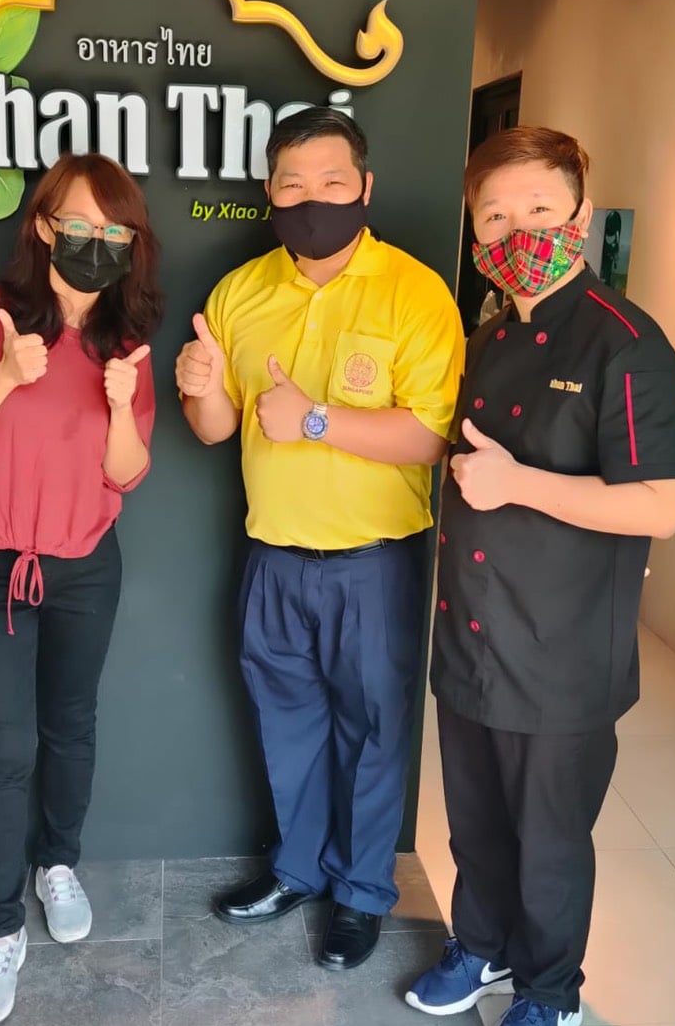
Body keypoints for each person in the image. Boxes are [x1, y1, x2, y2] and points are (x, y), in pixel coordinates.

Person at [406, 126, 675, 1026]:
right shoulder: (487, 337)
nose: (517, 230)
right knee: (476, 821)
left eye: (538, 208)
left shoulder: (627, 343)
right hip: (474, 633)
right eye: (494, 215)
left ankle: (549, 995)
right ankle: (481, 945)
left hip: (562, 652)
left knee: (550, 843)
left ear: (580, 213)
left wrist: (518, 484)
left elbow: (662, 505)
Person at [176, 106, 464, 970]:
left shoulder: (414, 291)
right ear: (269, 192)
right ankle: (298, 869)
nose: (313, 200)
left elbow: (431, 436)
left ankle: (363, 892)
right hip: (273, 556)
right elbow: (213, 429)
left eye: (333, 182)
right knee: (288, 725)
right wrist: (198, 384)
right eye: (293, 184)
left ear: (364, 187)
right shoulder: (240, 291)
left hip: (375, 562)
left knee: (374, 734)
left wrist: (315, 420)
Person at [0, 152, 161, 1025]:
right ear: (44, 226)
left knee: (70, 726)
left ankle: (58, 863)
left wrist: (123, 404)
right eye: (78, 224)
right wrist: (6, 375)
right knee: (5, 747)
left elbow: (126, 475)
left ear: (130, 244)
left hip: (84, 567)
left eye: (113, 230)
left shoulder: (125, 341)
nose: (95, 241)